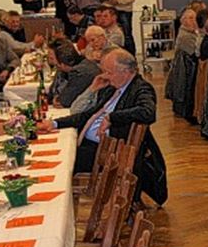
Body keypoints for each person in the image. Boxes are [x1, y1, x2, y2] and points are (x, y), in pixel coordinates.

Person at [38, 49, 167, 204]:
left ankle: (54, 207)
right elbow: (85, 115)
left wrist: (112, 117)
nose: (105, 76)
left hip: (110, 153)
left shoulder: (141, 88)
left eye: (108, 72)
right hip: (94, 146)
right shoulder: (112, 88)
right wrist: (54, 123)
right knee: (58, 152)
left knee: (60, 161)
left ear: (125, 72)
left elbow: (148, 112)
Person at [50, 41, 100, 108]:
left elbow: (64, 101)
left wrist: (58, 98)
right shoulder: (86, 64)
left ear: (62, 65)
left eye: (52, 58)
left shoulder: (79, 73)